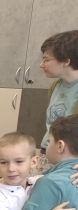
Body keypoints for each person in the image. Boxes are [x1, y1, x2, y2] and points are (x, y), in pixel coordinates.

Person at [33, 31, 78, 176]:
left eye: (46, 59)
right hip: (47, 152)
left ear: (66, 61)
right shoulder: (55, 86)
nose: (41, 65)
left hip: (70, 161)